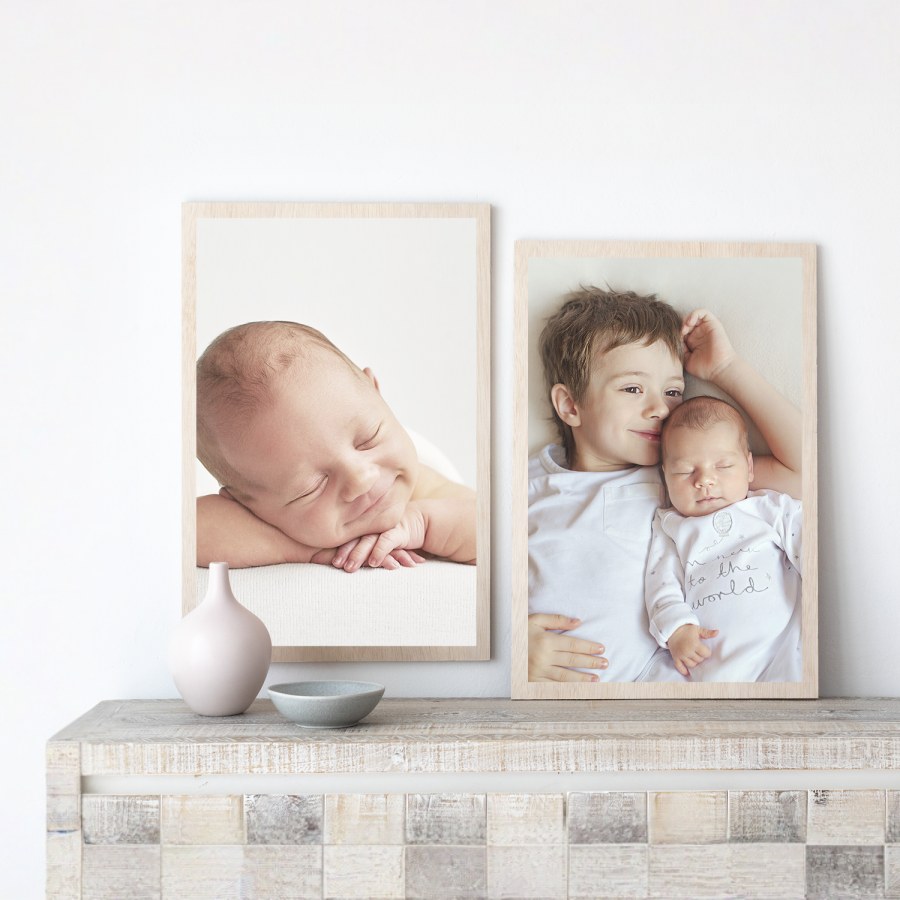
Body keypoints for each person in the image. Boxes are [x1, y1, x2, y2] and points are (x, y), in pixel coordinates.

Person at [528, 287, 801, 683]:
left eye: (673, 391)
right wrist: (515, 647)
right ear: (571, 405)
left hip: (648, 690)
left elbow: (802, 472)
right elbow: (481, 584)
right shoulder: (528, 488)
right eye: (633, 388)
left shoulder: (682, 478)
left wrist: (726, 369)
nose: (660, 408)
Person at [195, 321, 476, 571]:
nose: (361, 479)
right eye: (312, 486)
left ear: (377, 392)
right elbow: (184, 531)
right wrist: (309, 549)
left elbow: (498, 531)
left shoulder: (424, 486)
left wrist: (420, 524)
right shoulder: (270, 517)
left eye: (369, 438)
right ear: (248, 505)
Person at [643, 396, 802, 682]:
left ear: (749, 468)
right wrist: (677, 628)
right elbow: (661, 586)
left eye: (723, 466)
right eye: (685, 471)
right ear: (665, 476)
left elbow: (808, 541)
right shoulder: (670, 528)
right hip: (707, 660)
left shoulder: (769, 508)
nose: (705, 480)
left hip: (780, 648)